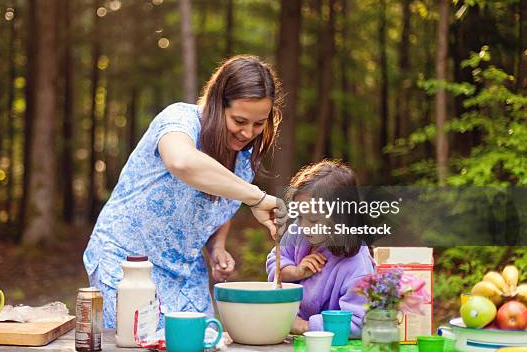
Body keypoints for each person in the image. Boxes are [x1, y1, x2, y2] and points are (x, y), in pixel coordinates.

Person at [84, 55, 288, 328]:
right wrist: (257, 197)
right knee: (139, 344)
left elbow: (219, 205)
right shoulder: (179, 119)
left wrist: (216, 247)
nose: (247, 132)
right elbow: (182, 162)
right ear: (217, 104)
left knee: (204, 342)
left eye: (259, 123)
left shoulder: (243, 157)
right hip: (128, 263)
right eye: (239, 120)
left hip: (185, 273)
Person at [266, 159, 375, 337]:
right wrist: (295, 272)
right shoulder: (298, 232)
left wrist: (305, 326)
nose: (305, 226)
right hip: (291, 333)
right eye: (300, 216)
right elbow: (275, 260)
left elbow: (359, 322)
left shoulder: (356, 263)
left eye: (314, 220)